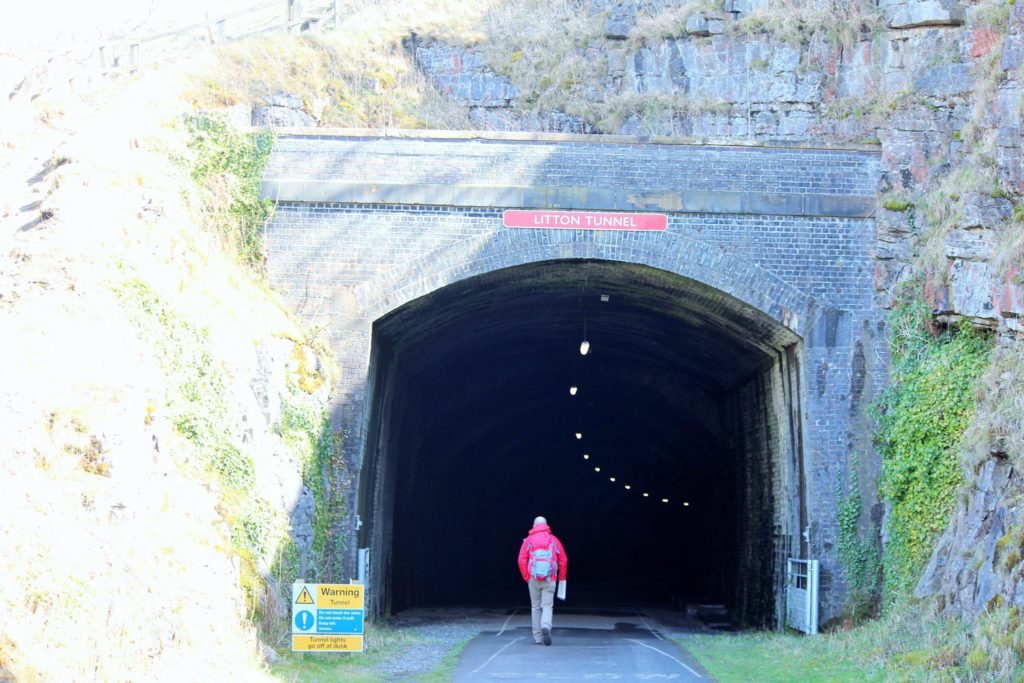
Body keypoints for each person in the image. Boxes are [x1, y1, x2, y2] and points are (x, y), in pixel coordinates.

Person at [517, 515, 568, 646]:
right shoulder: (553, 540)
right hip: (550, 578)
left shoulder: (528, 540)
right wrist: (561, 578)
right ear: (547, 526)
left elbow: (521, 559)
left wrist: (526, 576)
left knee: (535, 607)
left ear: (534, 526)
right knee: (547, 606)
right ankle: (546, 626)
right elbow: (563, 560)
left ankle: (537, 637)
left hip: (533, 578)